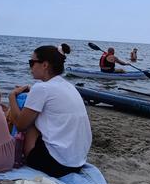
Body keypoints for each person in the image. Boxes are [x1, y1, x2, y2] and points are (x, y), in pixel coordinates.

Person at [8, 46, 91, 177]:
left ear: (45, 65)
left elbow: (20, 124)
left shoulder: (41, 88)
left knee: (30, 121)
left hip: (58, 165)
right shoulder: (68, 86)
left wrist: (11, 96)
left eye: (32, 62)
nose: (30, 67)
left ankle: (16, 155)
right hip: (77, 162)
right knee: (37, 113)